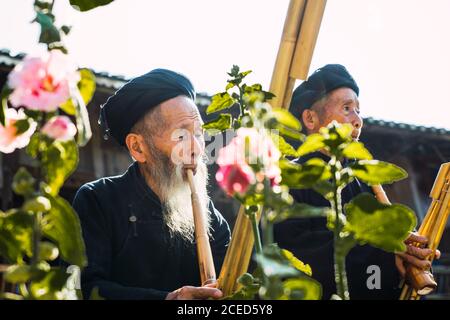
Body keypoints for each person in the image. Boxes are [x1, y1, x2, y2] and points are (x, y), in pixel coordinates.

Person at [273, 64, 438, 299]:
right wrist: (384, 253)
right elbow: (301, 253)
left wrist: (406, 258)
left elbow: (382, 262)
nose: (358, 120)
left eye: (358, 110)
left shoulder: (363, 182)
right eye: (347, 108)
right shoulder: (290, 178)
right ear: (310, 118)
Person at [72, 69, 230, 300]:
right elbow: (83, 288)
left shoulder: (208, 215)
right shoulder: (98, 200)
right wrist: (168, 299)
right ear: (138, 147)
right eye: (181, 136)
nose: (197, 148)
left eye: (199, 134)